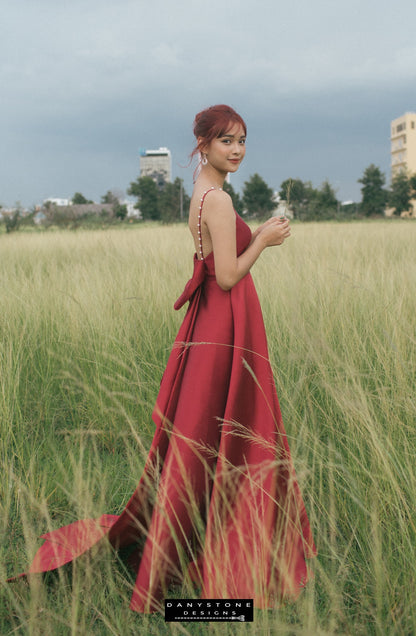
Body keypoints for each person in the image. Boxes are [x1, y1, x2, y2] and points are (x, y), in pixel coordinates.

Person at [10, 104, 316, 613]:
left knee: (204, 436)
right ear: (203, 144)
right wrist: (262, 238)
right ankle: (216, 582)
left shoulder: (200, 192)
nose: (237, 149)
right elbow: (226, 276)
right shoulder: (216, 199)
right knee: (233, 430)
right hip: (225, 322)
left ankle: (188, 549)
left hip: (214, 323)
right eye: (226, 141)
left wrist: (252, 233)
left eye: (242, 140)